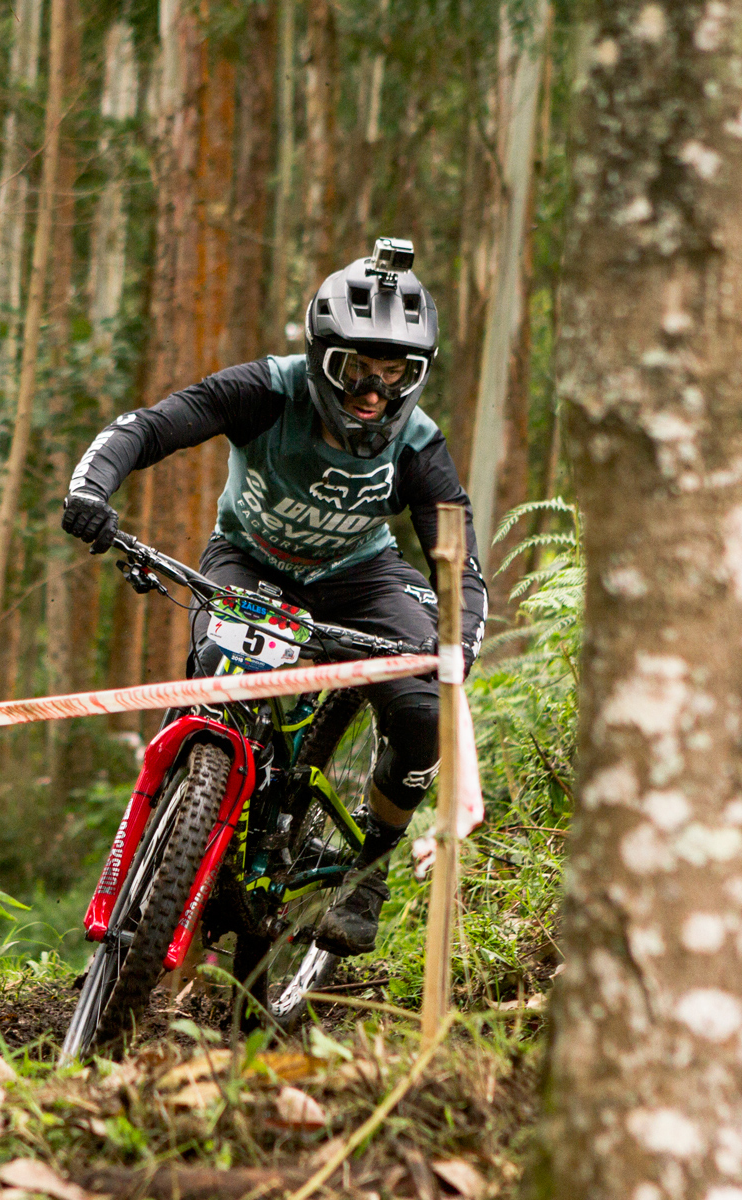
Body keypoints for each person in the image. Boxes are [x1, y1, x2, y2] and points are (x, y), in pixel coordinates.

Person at [58, 244, 488, 956]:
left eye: (395, 375)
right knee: (215, 672)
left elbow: (459, 556)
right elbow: (149, 426)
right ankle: (173, 834)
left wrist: (460, 640)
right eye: (356, 370)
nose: (373, 393)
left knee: (420, 710)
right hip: (250, 560)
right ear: (322, 357)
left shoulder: (415, 444)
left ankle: (366, 874)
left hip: (361, 576)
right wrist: (91, 489)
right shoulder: (266, 391)